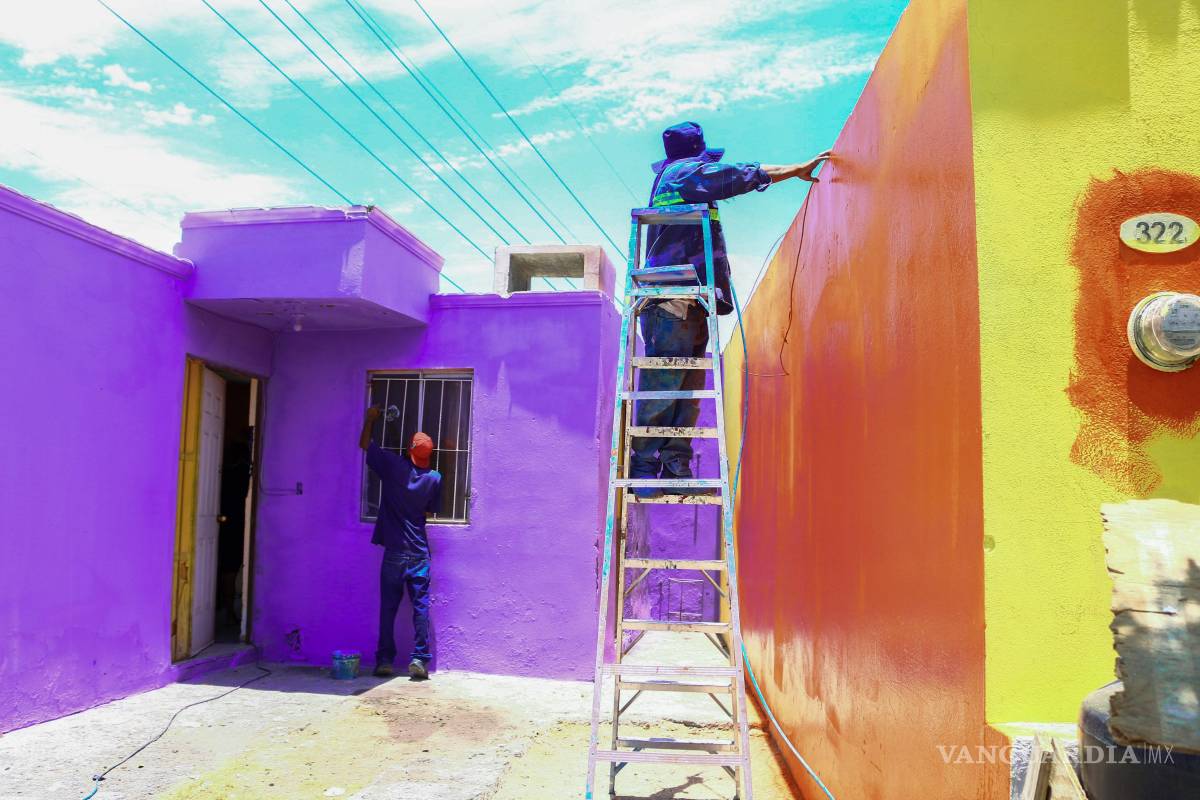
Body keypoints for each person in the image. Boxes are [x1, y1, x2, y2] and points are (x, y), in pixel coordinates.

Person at [631, 121, 830, 497]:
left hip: (690, 301)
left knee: (687, 389)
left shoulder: (680, 177)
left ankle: (675, 468)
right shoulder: (683, 174)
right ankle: (643, 469)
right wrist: (792, 169)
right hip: (670, 299)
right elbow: (738, 176)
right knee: (665, 385)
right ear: (696, 155)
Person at [359, 407, 442, 679]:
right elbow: (430, 511)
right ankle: (419, 660)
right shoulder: (434, 479)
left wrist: (371, 418)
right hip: (419, 552)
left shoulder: (395, 467)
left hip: (395, 550)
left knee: (388, 608)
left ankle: (384, 660)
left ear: (409, 449)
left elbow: (364, 445)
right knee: (420, 607)